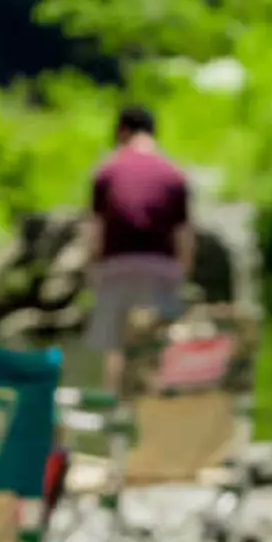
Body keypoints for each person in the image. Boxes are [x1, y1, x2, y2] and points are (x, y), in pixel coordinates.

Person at [84, 103, 195, 389]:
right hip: (161, 266)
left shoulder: (106, 171)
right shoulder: (174, 174)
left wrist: (91, 272)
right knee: (158, 342)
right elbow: (184, 238)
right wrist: (180, 276)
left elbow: (94, 232)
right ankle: (157, 408)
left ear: (121, 131)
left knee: (117, 347)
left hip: (116, 264)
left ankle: (116, 409)